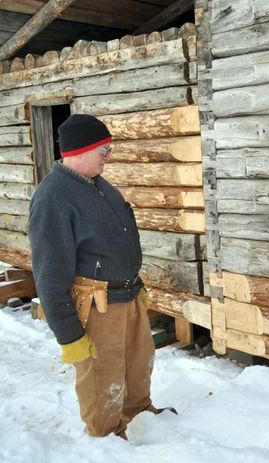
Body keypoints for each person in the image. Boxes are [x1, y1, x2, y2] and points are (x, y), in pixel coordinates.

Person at [28, 114, 173, 440]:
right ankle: (107, 439)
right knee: (103, 375)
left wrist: (136, 287)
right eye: (104, 150)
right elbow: (49, 274)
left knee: (138, 364)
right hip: (96, 306)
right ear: (79, 150)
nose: (109, 157)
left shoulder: (96, 183)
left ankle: (139, 416)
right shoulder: (53, 198)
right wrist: (70, 336)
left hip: (128, 296)